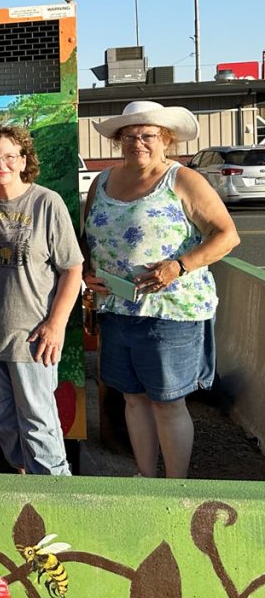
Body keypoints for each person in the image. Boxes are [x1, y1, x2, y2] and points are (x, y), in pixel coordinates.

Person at [83, 101, 239, 478]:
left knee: (167, 402)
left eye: (148, 135)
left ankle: (175, 483)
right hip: (117, 308)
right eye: (130, 135)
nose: (138, 142)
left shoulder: (182, 179)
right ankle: (147, 478)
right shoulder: (102, 182)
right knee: (133, 399)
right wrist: (90, 272)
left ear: (165, 139)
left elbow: (227, 236)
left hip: (171, 312)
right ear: (119, 140)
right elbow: (91, 241)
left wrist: (179, 266)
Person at [0, 126, 83, 475]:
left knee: (38, 420)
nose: (0, 163)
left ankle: (57, 491)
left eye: (8, 156)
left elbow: (72, 269)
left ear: (23, 161)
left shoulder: (46, 202)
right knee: (3, 418)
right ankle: (24, 482)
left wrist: (56, 325)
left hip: (33, 337)